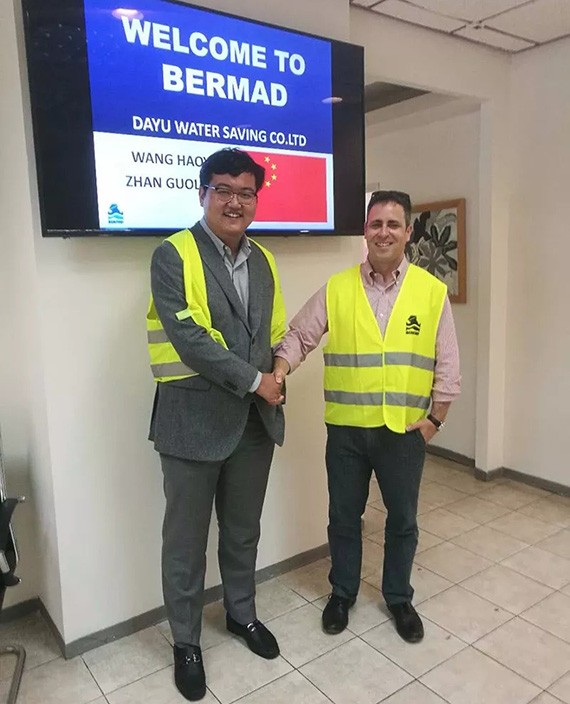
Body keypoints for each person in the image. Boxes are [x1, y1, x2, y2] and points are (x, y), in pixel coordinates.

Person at [274, 190, 460, 643]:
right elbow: (301, 335)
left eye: (393, 224)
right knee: (343, 516)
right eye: (376, 224)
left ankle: (398, 598)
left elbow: (448, 362)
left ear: (408, 231)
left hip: (403, 431)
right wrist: (279, 368)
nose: (384, 232)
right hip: (347, 431)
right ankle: (342, 593)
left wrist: (436, 419)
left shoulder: (431, 292)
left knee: (402, 521)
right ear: (365, 231)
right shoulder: (338, 287)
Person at [147, 148, 286, 701]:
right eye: (223, 189)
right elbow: (190, 341)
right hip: (191, 422)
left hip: (253, 424)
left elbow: (272, 333)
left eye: (246, 192)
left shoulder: (264, 260)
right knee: (185, 543)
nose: (235, 201)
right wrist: (257, 381)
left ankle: (240, 613)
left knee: (243, 530)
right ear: (202, 193)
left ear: (256, 200)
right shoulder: (172, 254)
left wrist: (279, 370)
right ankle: (186, 642)